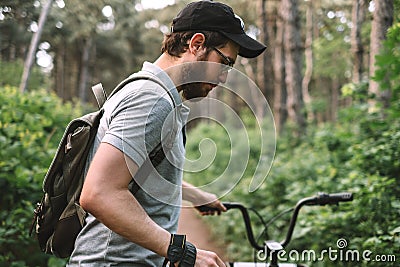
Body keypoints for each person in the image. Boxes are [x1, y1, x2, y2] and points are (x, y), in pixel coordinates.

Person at [67, 1, 266, 266]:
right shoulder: (151, 99)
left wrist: (194, 195)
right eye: (225, 63)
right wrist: (181, 251)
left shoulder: (159, 95)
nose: (225, 77)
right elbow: (99, 193)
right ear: (196, 44)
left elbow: (136, 171)